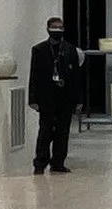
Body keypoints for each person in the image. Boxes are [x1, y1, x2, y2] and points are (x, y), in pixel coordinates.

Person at [26, 15, 84, 175]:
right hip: (46, 97)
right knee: (45, 131)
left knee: (62, 132)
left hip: (65, 97)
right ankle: (40, 163)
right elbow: (34, 75)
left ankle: (58, 162)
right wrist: (33, 99)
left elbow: (76, 77)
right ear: (47, 29)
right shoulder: (39, 50)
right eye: (54, 28)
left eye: (60, 28)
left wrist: (79, 100)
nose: (57, 31)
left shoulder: (70, 50)